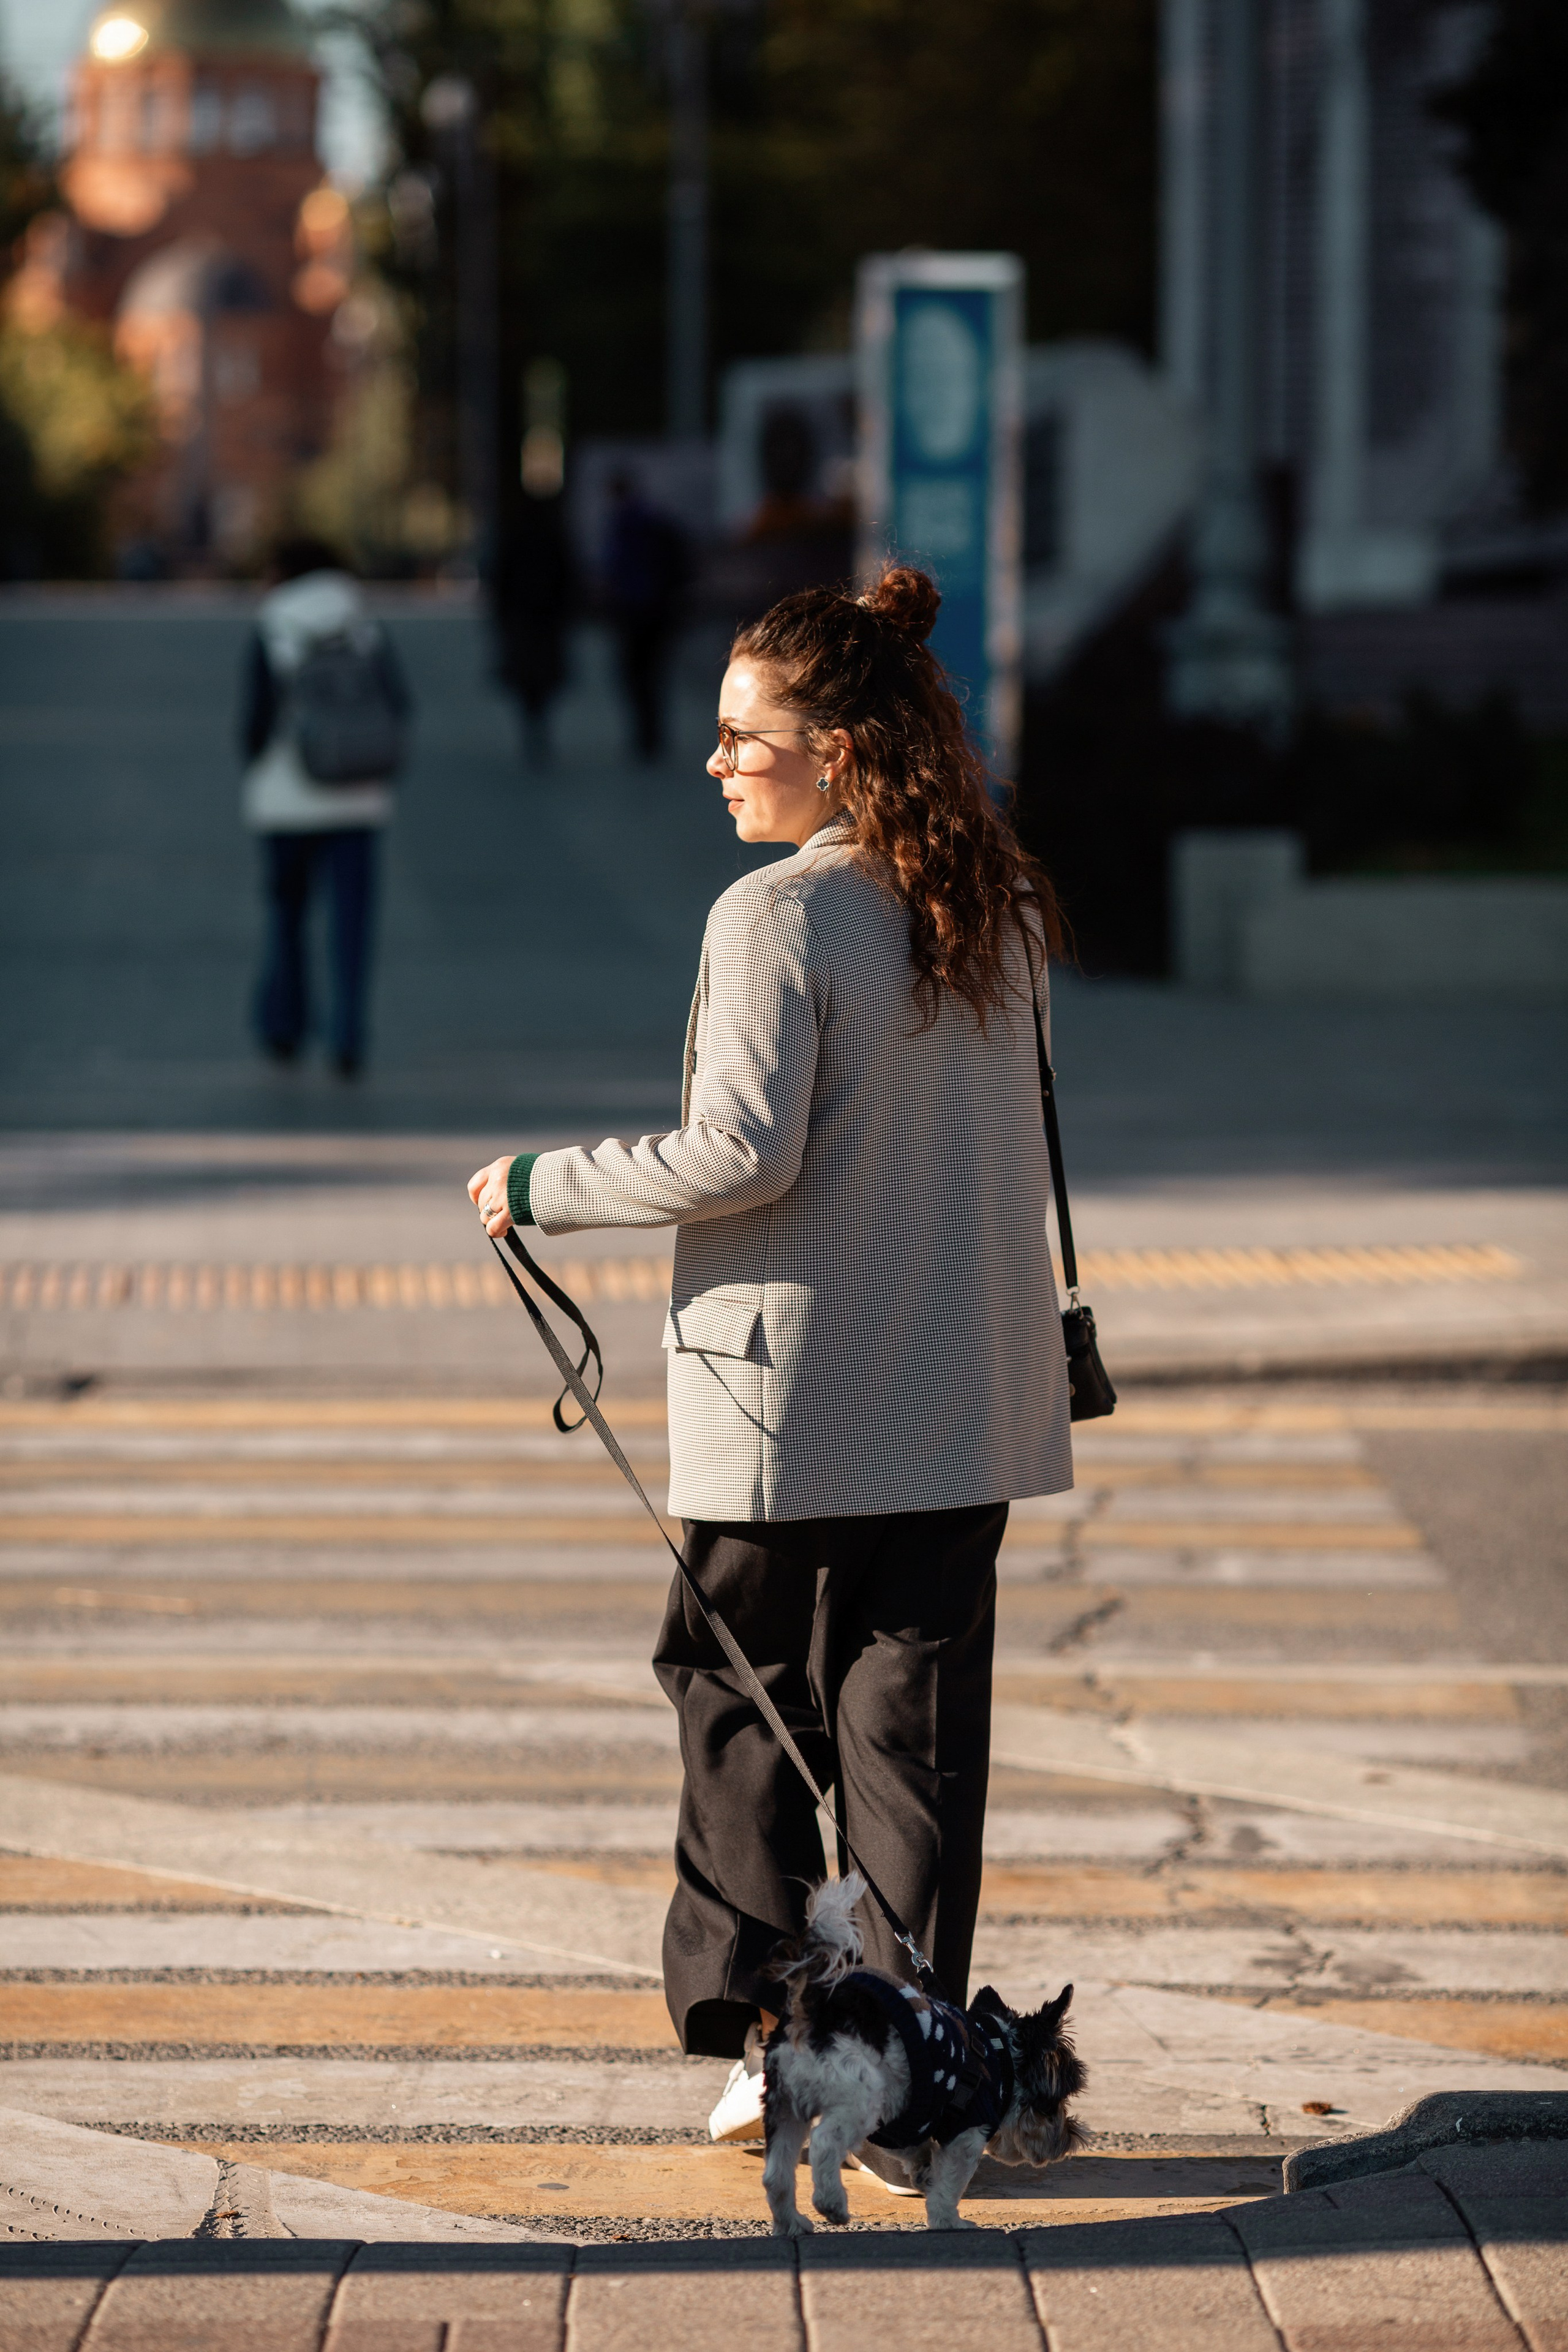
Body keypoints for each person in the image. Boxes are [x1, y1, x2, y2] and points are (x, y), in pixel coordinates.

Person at [467, 565, 1071, 2168]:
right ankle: (909, 2055)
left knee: (736, 1700)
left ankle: (775, 2034)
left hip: (791, 1415)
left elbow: (739, 1152)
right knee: (908, 1746)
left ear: (846, 756)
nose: (720, 761)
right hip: (968, 1400)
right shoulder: (987, 905)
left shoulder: (777, 916)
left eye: (751, 737)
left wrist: (542, 1186)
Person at [238, 537, 410, 1079]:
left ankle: (284, 1026)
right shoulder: (362, 620)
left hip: (286, 800)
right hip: (357, 797)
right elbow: (399, 701)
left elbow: (256, 718)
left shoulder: (272, 622)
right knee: (353, 924)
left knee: (287, 917)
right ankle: (348, 1034)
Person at [600, 470, 690, 761]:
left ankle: (645, 735)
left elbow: (614, 568)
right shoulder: (653, 521)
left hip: (634, 611)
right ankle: (652, 734)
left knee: (635, 676)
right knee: (652, 675)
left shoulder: (624, 525)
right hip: (657, 610)